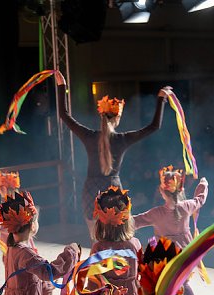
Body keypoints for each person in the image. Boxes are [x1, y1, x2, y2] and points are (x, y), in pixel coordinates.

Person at [54, 70, 171, 239]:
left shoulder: (89, 136)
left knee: (95, 239)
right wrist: (161, 98)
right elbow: (154, 126)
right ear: (117, 119)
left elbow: (64, 115)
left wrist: (61, 86)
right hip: (113, 191)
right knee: (118, 237)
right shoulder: (122, 139)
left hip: (91, 191)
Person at [133, 167, 208, 295]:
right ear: (180, 190)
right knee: (181, 281)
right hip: (184, 251)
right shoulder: (186, 206)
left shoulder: (157, 213)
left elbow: (136, 221)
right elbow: (200, 199)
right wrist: (203, 185)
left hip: (165, 254)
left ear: (162, 192)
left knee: (164, 282)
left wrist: (118, 219)